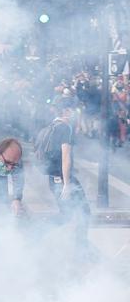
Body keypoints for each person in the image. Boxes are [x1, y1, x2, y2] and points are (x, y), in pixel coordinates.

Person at [37, 98, 92, 247]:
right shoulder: (65, 127)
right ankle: (81, 247)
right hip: (62, 179)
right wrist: (67, 185)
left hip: (53, 178)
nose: (75, 113)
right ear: (67, 111)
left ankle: (38, 232)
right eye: (73, 110)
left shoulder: (50, 127)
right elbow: (65, 156)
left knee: (67, 214)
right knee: (83, 212)